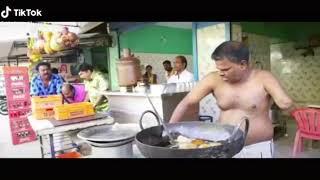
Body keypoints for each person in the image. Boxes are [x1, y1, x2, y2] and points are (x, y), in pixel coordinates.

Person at [169, 41, 294, 158]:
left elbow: (285, 102)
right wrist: (168, 130)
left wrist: (286, 103)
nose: (221, 73)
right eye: (218, 69)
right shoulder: (213, 79)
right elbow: (186, 102)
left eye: (225, 69)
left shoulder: (264, 78)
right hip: (224, 146)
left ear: (243, 65)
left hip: (258, 147)